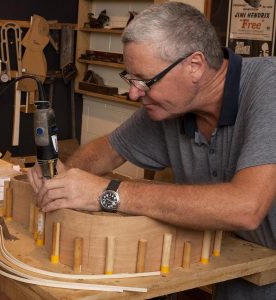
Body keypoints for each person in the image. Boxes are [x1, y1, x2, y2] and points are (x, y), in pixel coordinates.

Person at [28, 2, 276, 299]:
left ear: (194, 66)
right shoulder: (170, 107)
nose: (134, 93)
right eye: (131, 79)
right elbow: (108, 149)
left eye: (145, 81)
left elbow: (245, 208)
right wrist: (61, 177)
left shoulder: (267, 88)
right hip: (242, 271)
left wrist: (108, 193)